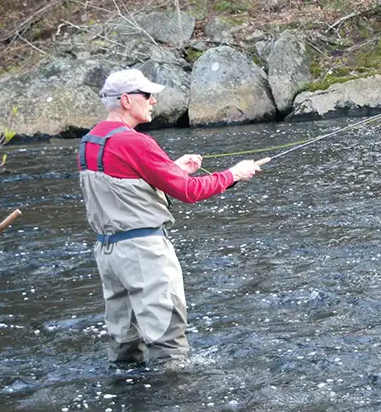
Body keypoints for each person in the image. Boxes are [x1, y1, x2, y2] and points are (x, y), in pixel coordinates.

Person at [78, 68, 261, 368]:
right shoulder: (135, 142)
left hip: (108, 254)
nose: (153, 102)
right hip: (143, 254)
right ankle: (173, 409)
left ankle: (129, 407)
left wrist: (172, 168)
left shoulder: (90, 141)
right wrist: (234, 175)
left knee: (125, 343)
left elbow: (124, 183)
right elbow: (189, 192)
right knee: (168, 340)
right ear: (126, 100)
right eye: (147, 95)